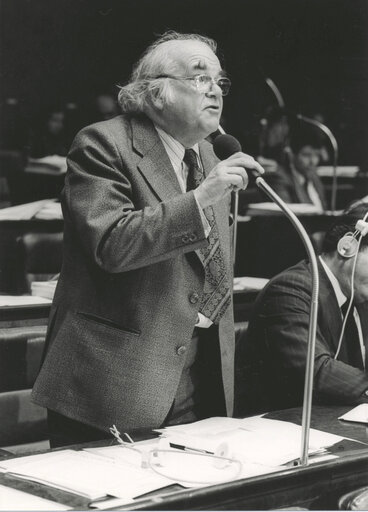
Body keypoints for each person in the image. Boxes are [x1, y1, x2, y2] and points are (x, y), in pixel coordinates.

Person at [32, 31, 263, 447]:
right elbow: (112, 244)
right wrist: (202, 197)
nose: (215, 89)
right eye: (199, 77)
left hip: (198, 372)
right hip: (112, 384)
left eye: (219, 80)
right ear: (156, 93)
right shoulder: (104, 143)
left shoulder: (211, 156)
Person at [235, 204, 368, 415]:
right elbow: (317, 370)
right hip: (282, 429)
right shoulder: (291, 289)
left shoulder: (358, 295)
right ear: (347, 247)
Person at [265, 128, 327, 210]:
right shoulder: (279, 178)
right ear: (291, 155)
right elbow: (285, 216)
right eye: (306, 155)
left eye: (317, 155)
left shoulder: (314, 177)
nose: (313, 161)